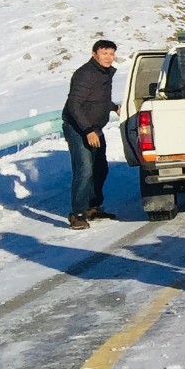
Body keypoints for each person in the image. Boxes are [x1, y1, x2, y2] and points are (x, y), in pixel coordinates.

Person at [63, 37, 120, 229]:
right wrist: (87, 130)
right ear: (94, 54)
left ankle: (92, 207)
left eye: (111, 53)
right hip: (79, 128)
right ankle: (77, 214)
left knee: (100, 168)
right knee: (85, 169)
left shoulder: (104, 73)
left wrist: (113, 107)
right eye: (104, 53)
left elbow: (97, 99)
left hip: (94, 127)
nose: (109, 57)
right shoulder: (85, 74)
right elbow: (74, 105)